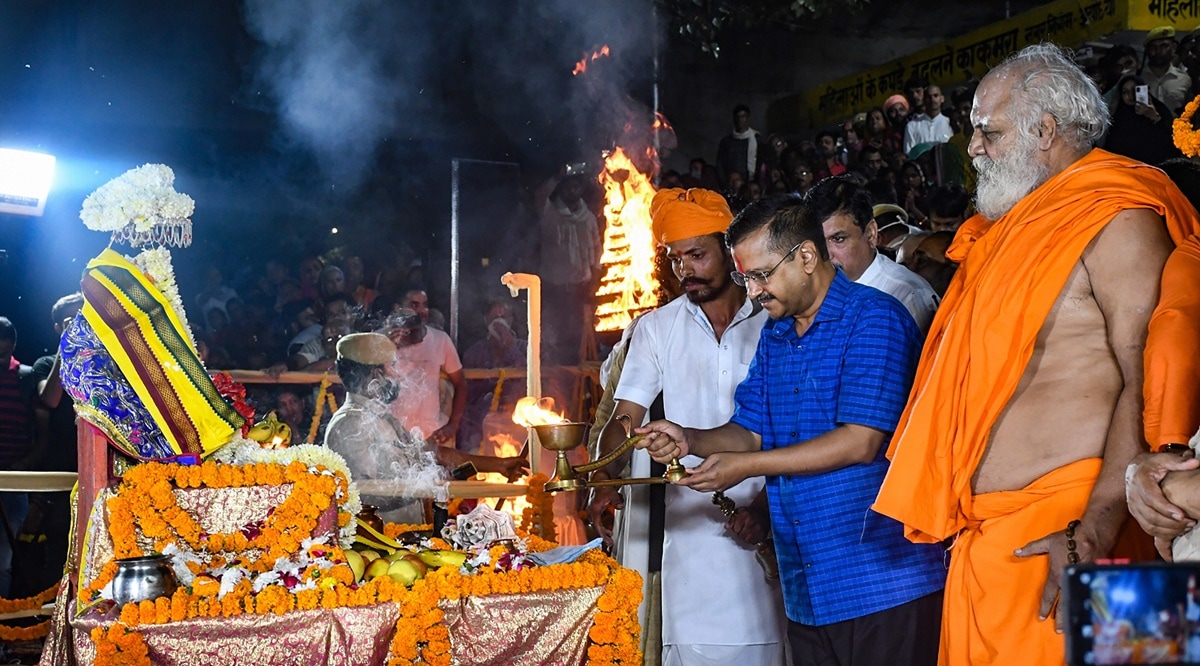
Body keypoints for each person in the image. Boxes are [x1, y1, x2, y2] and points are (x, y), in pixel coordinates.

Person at [871, 44, 1198, 665]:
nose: (972, 150)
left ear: (1045, 131)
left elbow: (1151, 384)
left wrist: (1095, 531)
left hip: (1078, 537)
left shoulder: (1119, 216)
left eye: (988, 133)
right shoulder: (1007, 231)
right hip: (993, 546)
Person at [634, 195, 946, 666]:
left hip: (880, 578)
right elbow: (752, 430)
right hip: (807, 586)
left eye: (762, 274)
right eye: (747, 277)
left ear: (805, 256)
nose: (754, 291)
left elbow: (861, 442)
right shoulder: (777, 335)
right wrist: (690, 438)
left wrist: (745, 467)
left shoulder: (874, 318)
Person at [586, 188, 786, 665]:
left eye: (697, 254)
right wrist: (602, 482)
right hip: (690, 545)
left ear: (730, 249)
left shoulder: (773, 318)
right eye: (675, 258)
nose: (685, 270)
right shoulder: (658, 328)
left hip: (772, 525)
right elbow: (623, 420)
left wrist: (763, 506)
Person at [324, 333, 526, 524]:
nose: (400, 375)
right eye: (393, 366)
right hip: (381, 547)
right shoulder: (349, 425)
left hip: (406, 540)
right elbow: (368, 494)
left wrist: (497, 465)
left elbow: (431, 453)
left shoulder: (381, 417)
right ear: (376, 375)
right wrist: (428, 484)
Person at [806, 176, 938, 333]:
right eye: (818, 242)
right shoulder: (805, 293)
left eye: (838, 239)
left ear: (871, 234)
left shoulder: (908, 297)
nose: (826, 255)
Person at [536, 172, 601, 365]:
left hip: (581, 285)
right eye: (568, 187)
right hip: (555, 286)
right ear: (561, 190)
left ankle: (580, 377)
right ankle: (557, 375)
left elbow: (596, 249)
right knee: (556, 334)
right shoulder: (549, 213)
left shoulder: (588, 217)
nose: (573, 191)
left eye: (576, 187)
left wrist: (595, 277)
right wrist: (557, 176)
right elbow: (540, 196)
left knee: (581, 333)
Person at [0, 317, 42, 597]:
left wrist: (25, 464)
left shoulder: (25, 377)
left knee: (2, 558)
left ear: (12, 343)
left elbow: (41, 431)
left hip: (14, 480)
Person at [385, 309, 467, 447]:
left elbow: (461, 384)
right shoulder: (381, 342)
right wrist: (389, 347)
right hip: (392, 438)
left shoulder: (439, 340)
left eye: (420, 330)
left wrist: (452, 426)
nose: (421, 337)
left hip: (431, 437)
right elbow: (367, 384)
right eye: (414, 304)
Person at [1105, 74, 1179, 166]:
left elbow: (1170, 141)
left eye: (1135, 90)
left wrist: (1154, 116)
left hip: (1156, 168)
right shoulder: (1119, 117)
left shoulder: (1160, 110)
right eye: (1125, 92)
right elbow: (1112, 148)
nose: (1130, 95)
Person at [1143, 26, 1193, 114]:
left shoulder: (1184, 80)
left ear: (1173, 48)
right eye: (1153, 47)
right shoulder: (1136, 77)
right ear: (1147, 50)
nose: (1158, 51)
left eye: (1164, 46)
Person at [717, 104, 764, 186]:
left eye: (743, 116)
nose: (740, 120)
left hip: (752, 182)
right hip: (732, 184)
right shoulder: (727, 142)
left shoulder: (757, 139)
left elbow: (761, 163)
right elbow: (721, 165)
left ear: (748, 119)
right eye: (737, 117)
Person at [903, 84, 953, 155]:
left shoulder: (950, 123)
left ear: (942, 98)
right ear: (923, 100)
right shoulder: (912, 126)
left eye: (935, 96)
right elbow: (909, 153)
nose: (932, 100)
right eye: (928, 97)